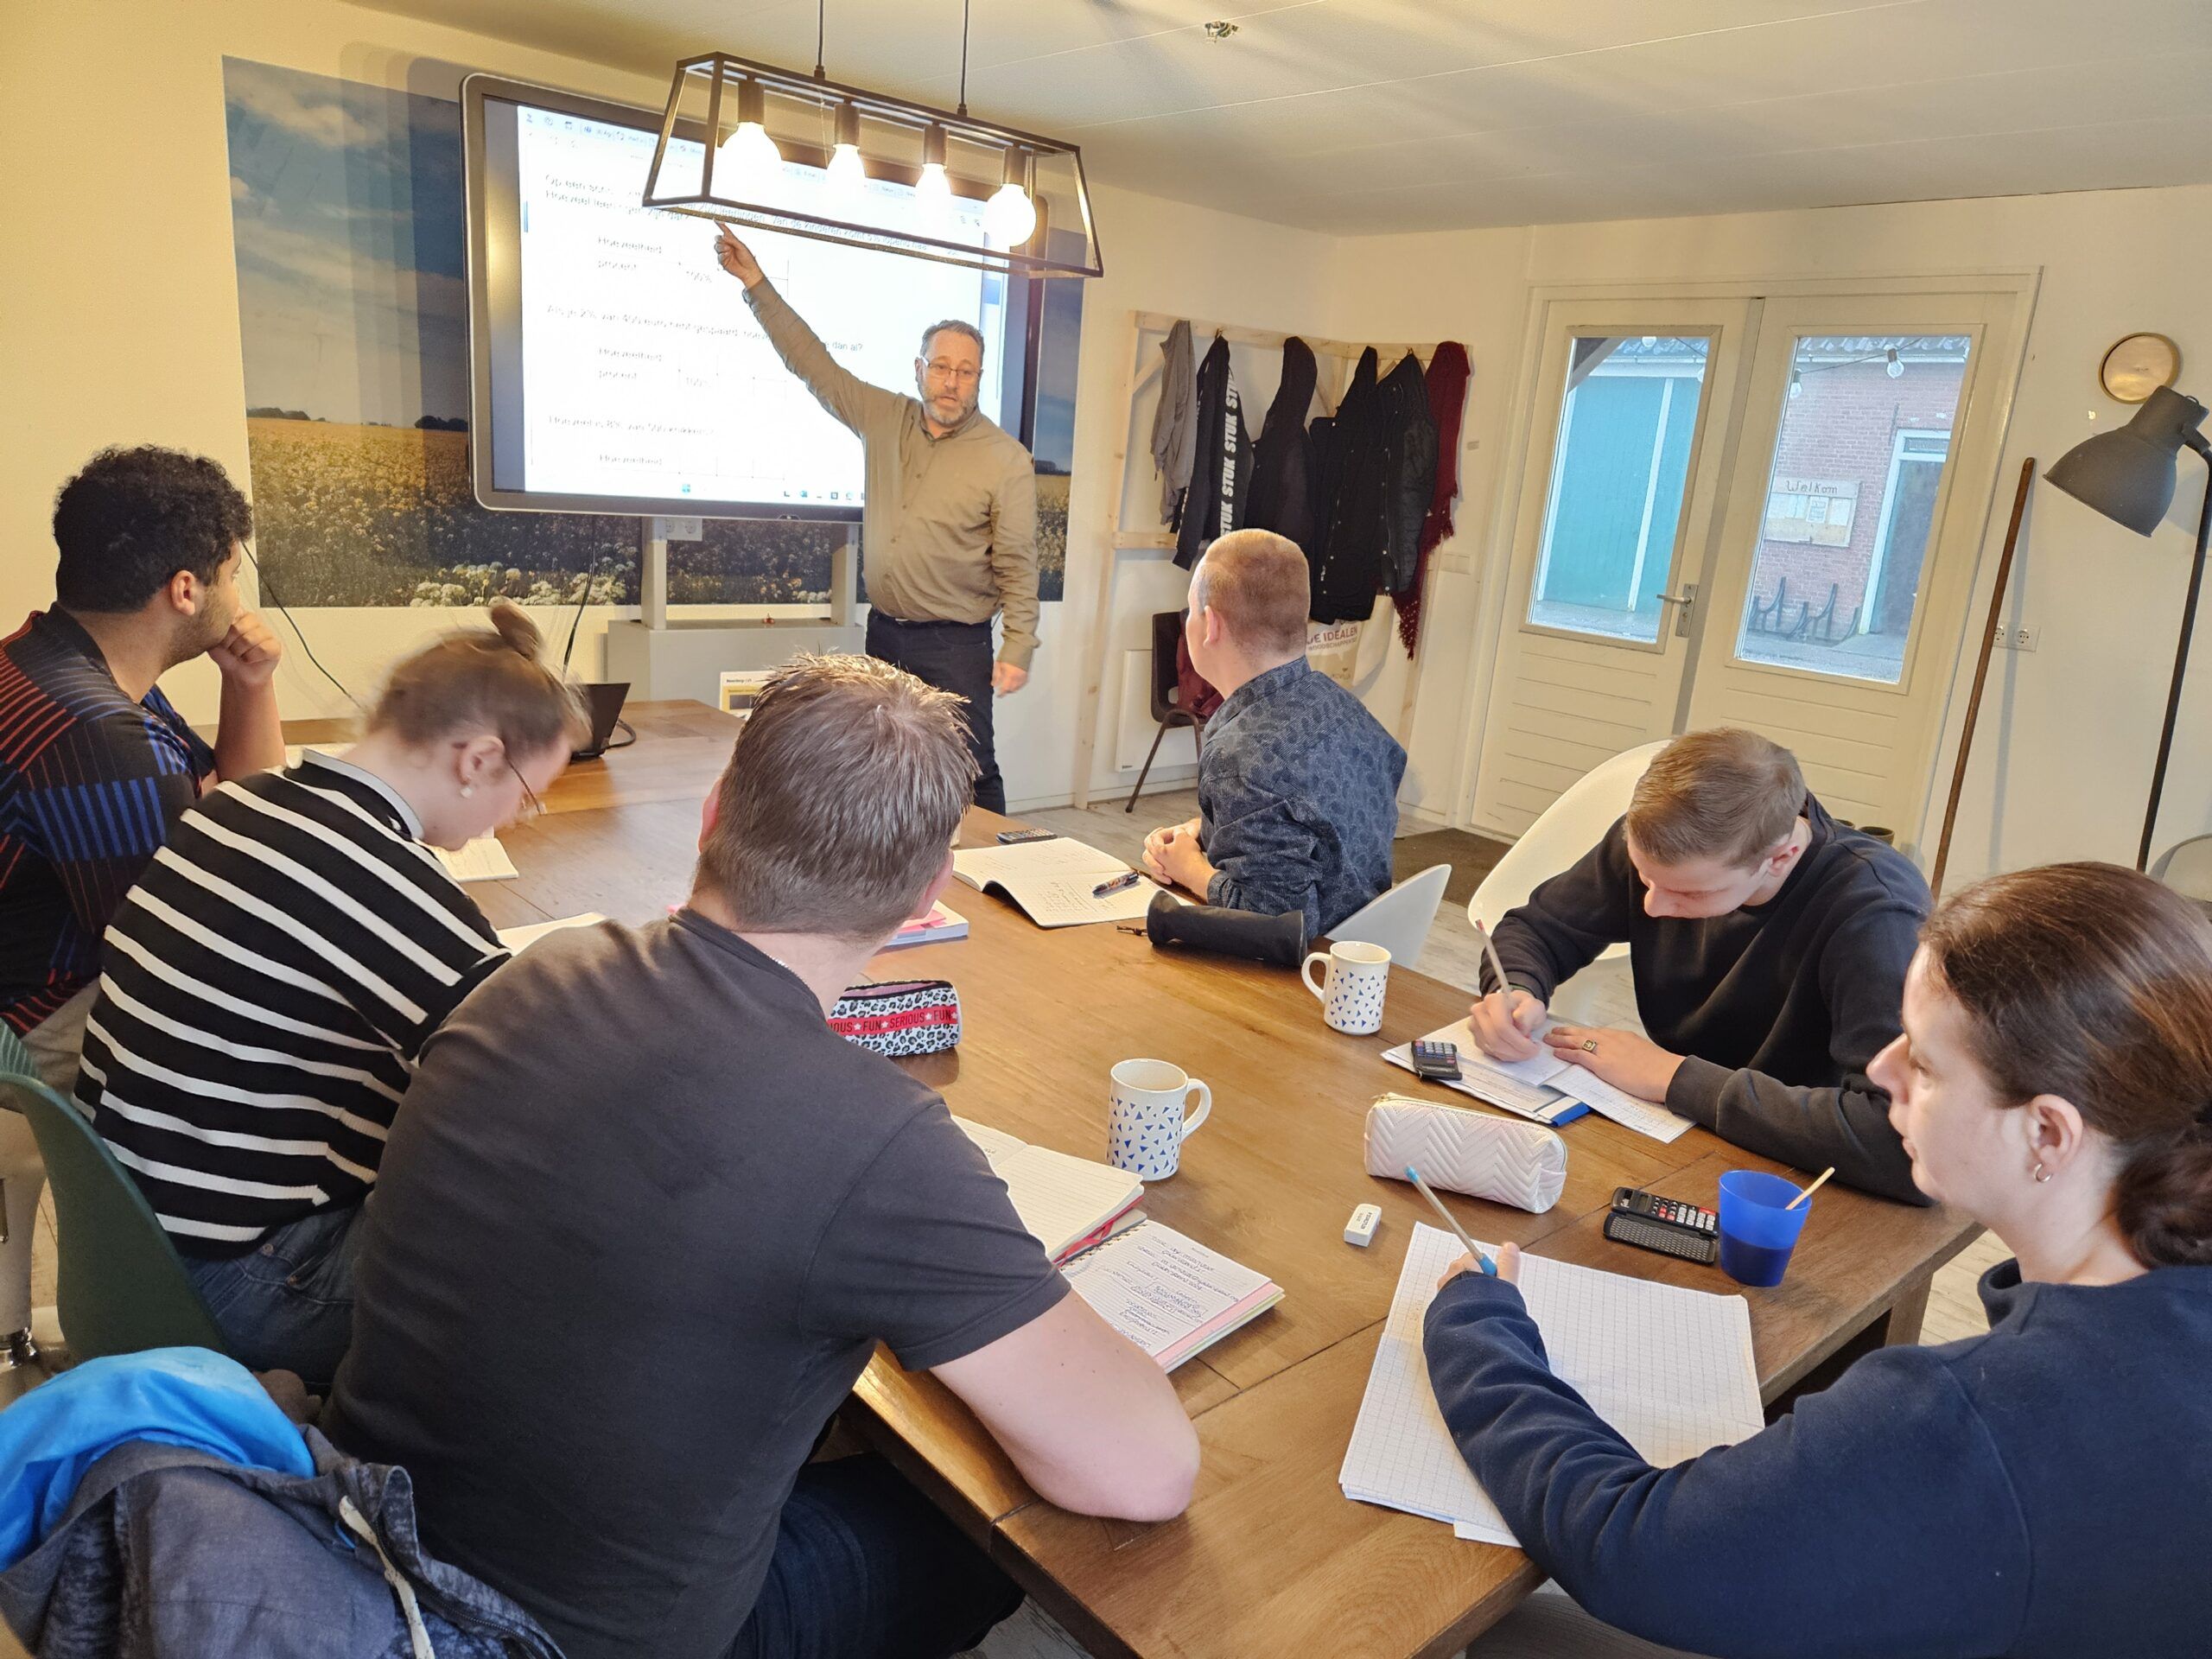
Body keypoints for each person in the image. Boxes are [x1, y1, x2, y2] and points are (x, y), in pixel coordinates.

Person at [324, 654, 1198, 1659]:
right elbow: (1147, 1472)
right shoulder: (879, 1142)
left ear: (712, 816)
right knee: (973, 1525)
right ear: (929, 892)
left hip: (355, 1556)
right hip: (560, 1642)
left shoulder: (532, 973)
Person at [1427, 861, 2212, 1658]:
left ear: (2048, 1132)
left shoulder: (1968, 1421)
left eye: (1925, 1064)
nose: (1880, 1070)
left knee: (1501, 1623)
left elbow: (1632, 1549)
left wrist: (1477, 1332)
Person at [76, 602, 583, 1389]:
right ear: (479, 759)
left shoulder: (235, 804)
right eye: (527, 795)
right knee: (566, 1259)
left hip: (127, 1238)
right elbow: (548, 1083)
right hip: (239, 1279)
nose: (516, 820)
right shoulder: (385, 884)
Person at [1466, 728, 1927, 1202]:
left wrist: (1674, 1077)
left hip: (1803, 1172)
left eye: (1688, 893)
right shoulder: (1664, 848)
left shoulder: (1876, 915)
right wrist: (1514, 989)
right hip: (1680, 1127)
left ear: (1781, 857)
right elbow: (1539, 928)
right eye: (1644, 877)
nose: (1652, 906)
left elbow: (1898, 1141)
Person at [711, 225, 1038, 813]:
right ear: (919, 368)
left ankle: (998, 860)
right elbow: (814, 365)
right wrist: (757, 284)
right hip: (884, 633)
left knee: (970, 765)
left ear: (979, 378)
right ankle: (896, 858)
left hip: (955, 645)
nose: (951, 382)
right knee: (881, 763)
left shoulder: (1004, 459)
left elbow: (1017, 563)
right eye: (941, 367)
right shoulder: (884, 418)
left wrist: (1018, 645)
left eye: (966, 371)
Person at [0, 446, 285, 1093]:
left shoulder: (51, 657)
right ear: (186, 590)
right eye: (231, 576)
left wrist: (250, 682)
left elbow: (243, 813)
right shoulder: (101, 735)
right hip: (33, 1023)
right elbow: (192, 954)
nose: (237, 600)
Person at [1142, 530, 1404, 939]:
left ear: (1211, 625)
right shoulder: (1343, 708)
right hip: (1367, 943)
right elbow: (1306, 824)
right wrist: (1206, 831)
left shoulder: (1241, 757)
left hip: (1309, 963)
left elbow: (1275, 923)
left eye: (1190, 611)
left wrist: (1190, 870)